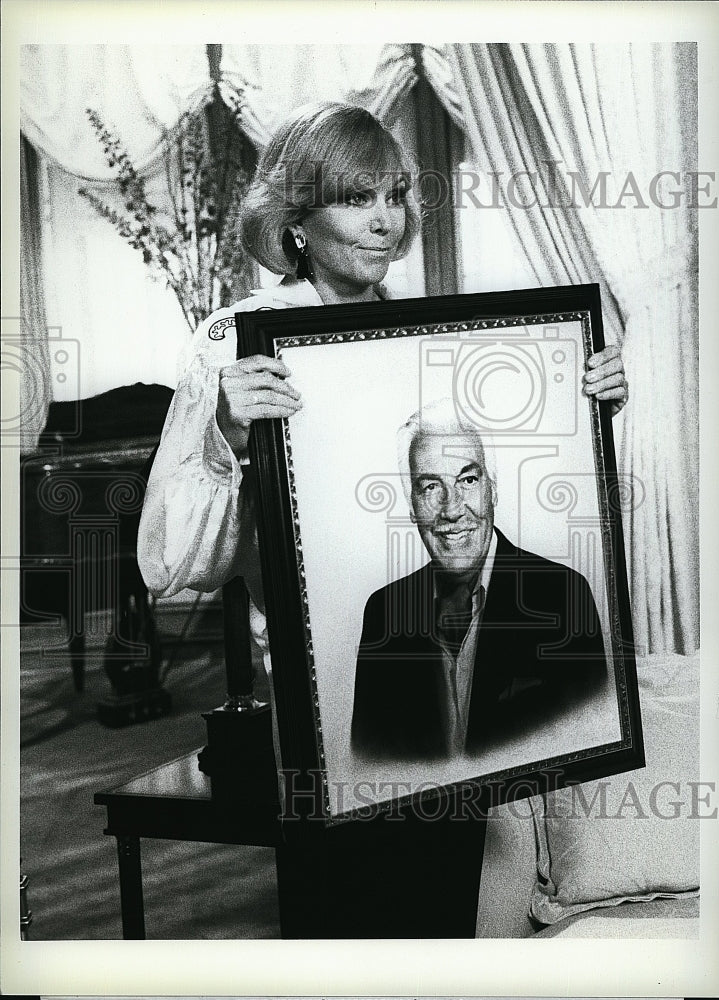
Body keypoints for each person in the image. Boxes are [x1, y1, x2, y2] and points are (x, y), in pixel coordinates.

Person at [137, 100, 628, 938]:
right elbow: (170, 565)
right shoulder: (233, 344)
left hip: (477, 687)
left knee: (454, 924)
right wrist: (225, 433)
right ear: (296, 224)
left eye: (395, 195)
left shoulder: (430, 332)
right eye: (357, 199)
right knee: (353, 931)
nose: (385, 220)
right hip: (331, 710)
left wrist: (586, 404)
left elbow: (499, 475)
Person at [351, 399, 607, 762]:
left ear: (494, 490)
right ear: (411, 506)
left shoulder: (564, 596)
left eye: (467, 480)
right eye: (429, 487)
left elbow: (587, 755)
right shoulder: (384, 612)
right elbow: (369, 768)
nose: (452, 509)